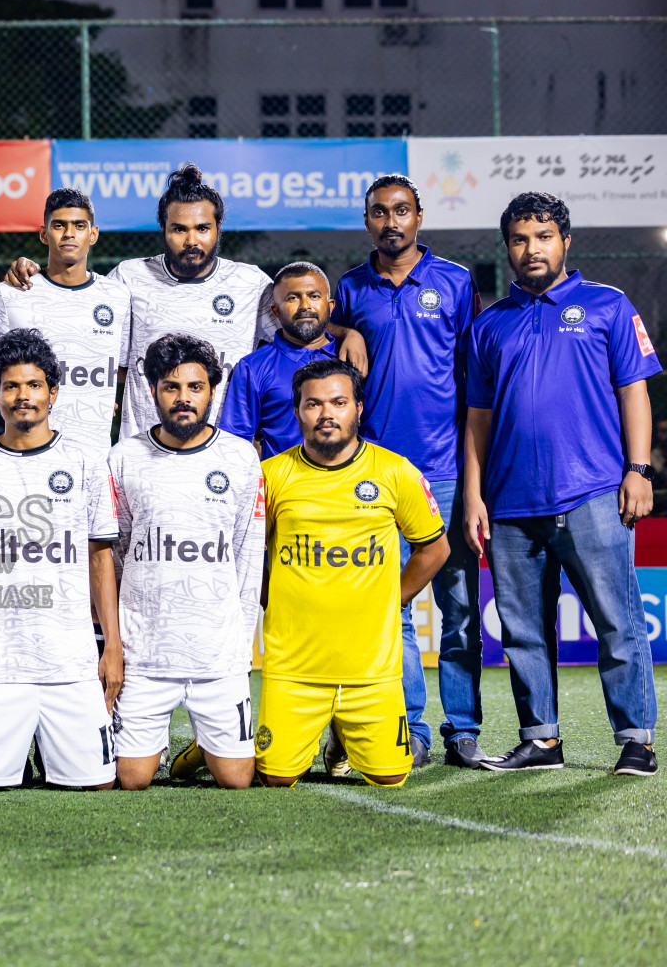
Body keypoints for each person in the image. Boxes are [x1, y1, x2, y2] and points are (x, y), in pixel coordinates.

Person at [465, 192, 660, 776]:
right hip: (510, 500)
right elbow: (476, 418)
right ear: (508, 248)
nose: (532, 249)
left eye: (543, 236)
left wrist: (639, 469)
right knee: (523, 630)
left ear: (565, 241)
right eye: (520, 239)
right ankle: (541, 740)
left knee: (617, 621)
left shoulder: (608, 305)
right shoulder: (489, 325)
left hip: (595, 493)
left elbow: (635, 392)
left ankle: (636, 741)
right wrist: (474, 495)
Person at [0, 164, 366, 432]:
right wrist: (34, 273)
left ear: (217, 229)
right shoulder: (128, 278)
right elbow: (86, 332)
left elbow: (299, 327)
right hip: (142, 446)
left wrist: (347, 333)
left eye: (202, 228)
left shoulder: (249, 283)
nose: (192, 240)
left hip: (223, 447)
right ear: (164, 229)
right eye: (179, 229)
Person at [333, 174, 485, 770]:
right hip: (377, 477)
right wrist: (344, 329)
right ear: (367, 220)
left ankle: (463, 729)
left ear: (419, 217)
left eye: (401, 211)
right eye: (379, 212)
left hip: (445, 472)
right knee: (388, 610)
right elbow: (322, 338)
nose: (390, 221)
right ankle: (410, 729)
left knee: (460, 607)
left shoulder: (454, 281)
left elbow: (477, 377)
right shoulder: (350, 287)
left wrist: (478, 475)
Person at [0, 329, 122, 791]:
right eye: (11, 387)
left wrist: (112, 646)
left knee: (97, 785)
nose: (23, 397)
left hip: (69, 662)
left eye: (34, 385)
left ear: (53, 392)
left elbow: (100, 561)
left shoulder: (84, 463)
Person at [256, 360, 448, 788]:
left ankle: (341, 736)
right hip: (294, 668)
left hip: (370, 671)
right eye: (314, 404)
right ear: (297, 411)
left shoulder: (396, 472)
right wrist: (273, 594)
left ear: (358, 408)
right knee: (275, 779)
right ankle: (222, 746)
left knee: (390, 777)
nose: (327, 414)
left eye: (339, 403)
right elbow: (249, 555)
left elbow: (434, 549)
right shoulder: (272, 476)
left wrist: (392, 597)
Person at [110, 334, 264, 790]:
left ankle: (206, 748)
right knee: (132, 779)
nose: (183, 399)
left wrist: (239, 641)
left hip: (215, 652)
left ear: (212, 392)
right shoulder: (124, 458)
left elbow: (247, 553)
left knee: (237, 781)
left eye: (195, 387)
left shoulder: (239, 459)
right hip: (146, 653)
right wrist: (120, 635)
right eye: (171, 387)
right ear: (152, 390)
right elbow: (116, 550)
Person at [0, 188, 130, 453]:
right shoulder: (11, 294)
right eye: (59, 225)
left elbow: (124, 368)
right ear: (44, 234)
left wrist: (102, 394)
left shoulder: (117, 296)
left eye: (79, 225)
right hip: (25, 447)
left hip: (94, 450)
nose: (69, 234)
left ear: (93, 234)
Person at [219, 262, 340, 460]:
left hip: (348, 485)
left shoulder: (351, 356)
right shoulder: (253, 367)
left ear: (330, 306)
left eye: (314, 296)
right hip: (281, 487)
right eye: (293, 298)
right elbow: (235, 444)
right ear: (276, 311)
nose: (305, 306)